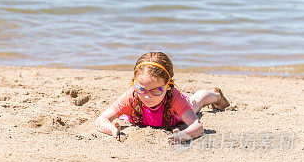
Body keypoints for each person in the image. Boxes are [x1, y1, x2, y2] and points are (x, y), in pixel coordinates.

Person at [95, 51, 230, 144]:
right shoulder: (132, 96)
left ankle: (216, 95)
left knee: (196, 101)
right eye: (141, 88)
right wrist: (112, 129)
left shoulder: (175, 98)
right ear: (134, 83)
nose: (147, 96)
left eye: (156, 90)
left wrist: (184, 135)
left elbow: (197, 126)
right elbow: (102, 119)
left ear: (168, 86)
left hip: (177, 112)